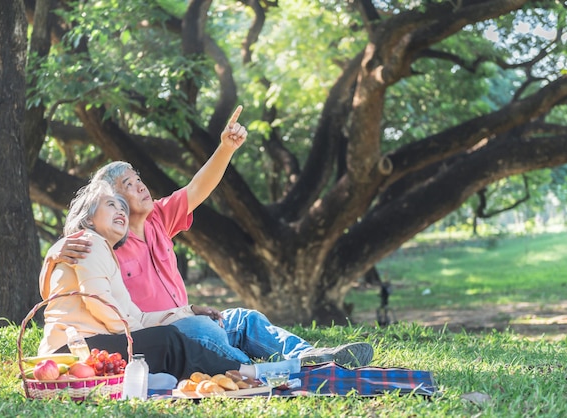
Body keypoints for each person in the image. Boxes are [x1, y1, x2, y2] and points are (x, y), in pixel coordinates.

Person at [48, 105, 373, 367]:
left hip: (186, 317)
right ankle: (260, 373)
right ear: (111, 202)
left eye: (138, 178)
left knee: (244, 319)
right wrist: (58, 249)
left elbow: (197, 188)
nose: (140, 186)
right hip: (161, 334)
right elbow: (79, 254)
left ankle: (311, 357)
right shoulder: (106, 242)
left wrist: (226, 148)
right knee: (206, 331)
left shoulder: (159, 217)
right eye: (128, 186)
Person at [39, 180, 300, 381]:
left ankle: (269, 367)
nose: (120, 211)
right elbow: (99, 304)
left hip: (92, 344)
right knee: (167, 340)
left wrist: (186, 312)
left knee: (170, 337)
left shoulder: (105, 250)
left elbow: (137, 316)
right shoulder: (87, 242)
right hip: (71, 349)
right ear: (88, 216)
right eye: (110, 204)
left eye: (122, 207)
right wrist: (146, 335)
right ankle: (251, 373)